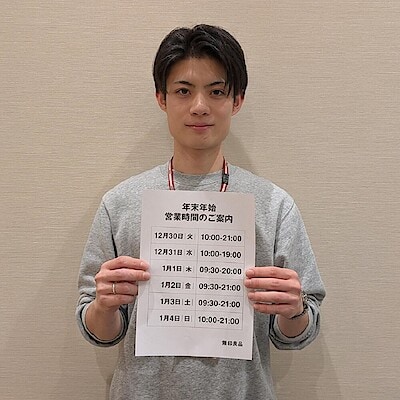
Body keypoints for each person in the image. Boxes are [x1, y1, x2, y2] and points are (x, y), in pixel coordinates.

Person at [76, 24, 326, 400]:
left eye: (216, 91)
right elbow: (99, 331)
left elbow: (297, 334)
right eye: (183, 91)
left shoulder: (275, 205)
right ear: (161, 98)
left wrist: (294, 310)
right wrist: (105, 306)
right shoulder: (121, 202)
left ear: (237, 100)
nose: (199, 106)